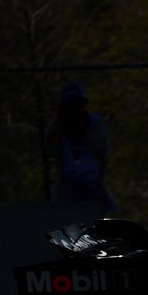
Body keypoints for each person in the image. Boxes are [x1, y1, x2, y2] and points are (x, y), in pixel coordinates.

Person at [47, 81, 116, 210]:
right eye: (69, 106)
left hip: (92, 186)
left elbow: (101, 149)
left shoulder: (96, 123)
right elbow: (49, 150)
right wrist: (59, 121)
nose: (73, 111)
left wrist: (84, 129)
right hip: (66, 190)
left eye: (77, 105)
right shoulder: (57, 126)